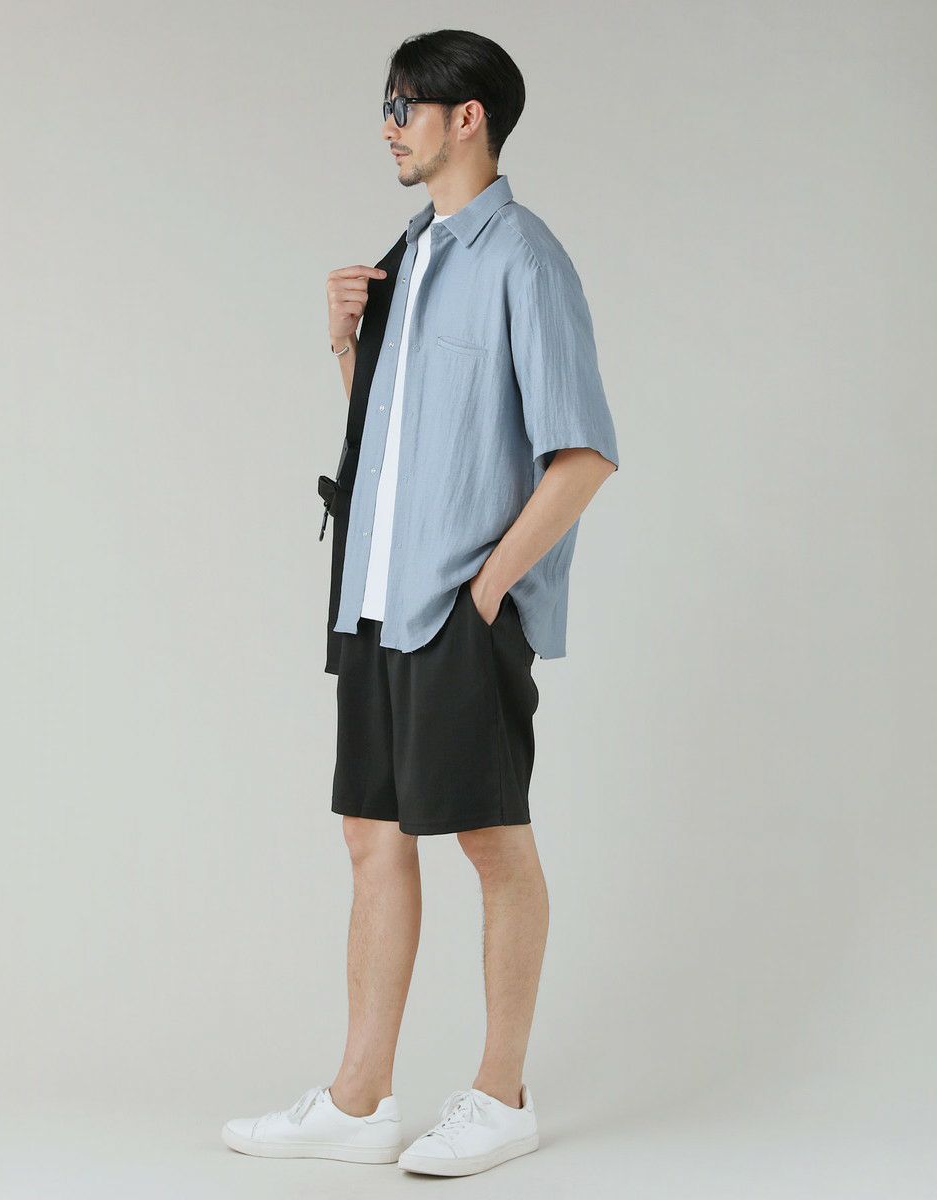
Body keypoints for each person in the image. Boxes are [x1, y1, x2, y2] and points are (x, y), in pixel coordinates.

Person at [223, 29, 619, 1178]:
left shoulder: (525, 260)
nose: (388, 125)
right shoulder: (411, 255)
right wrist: (347, 347)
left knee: (490, 838)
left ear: (467, 118)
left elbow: (583, 454)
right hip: (374, 598)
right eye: (386, 106)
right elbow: (394, 447)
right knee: (371, 836)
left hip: (453, 607)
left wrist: (485, 592)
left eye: (405, 105)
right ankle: (358, 1104)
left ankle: (502, 1096)